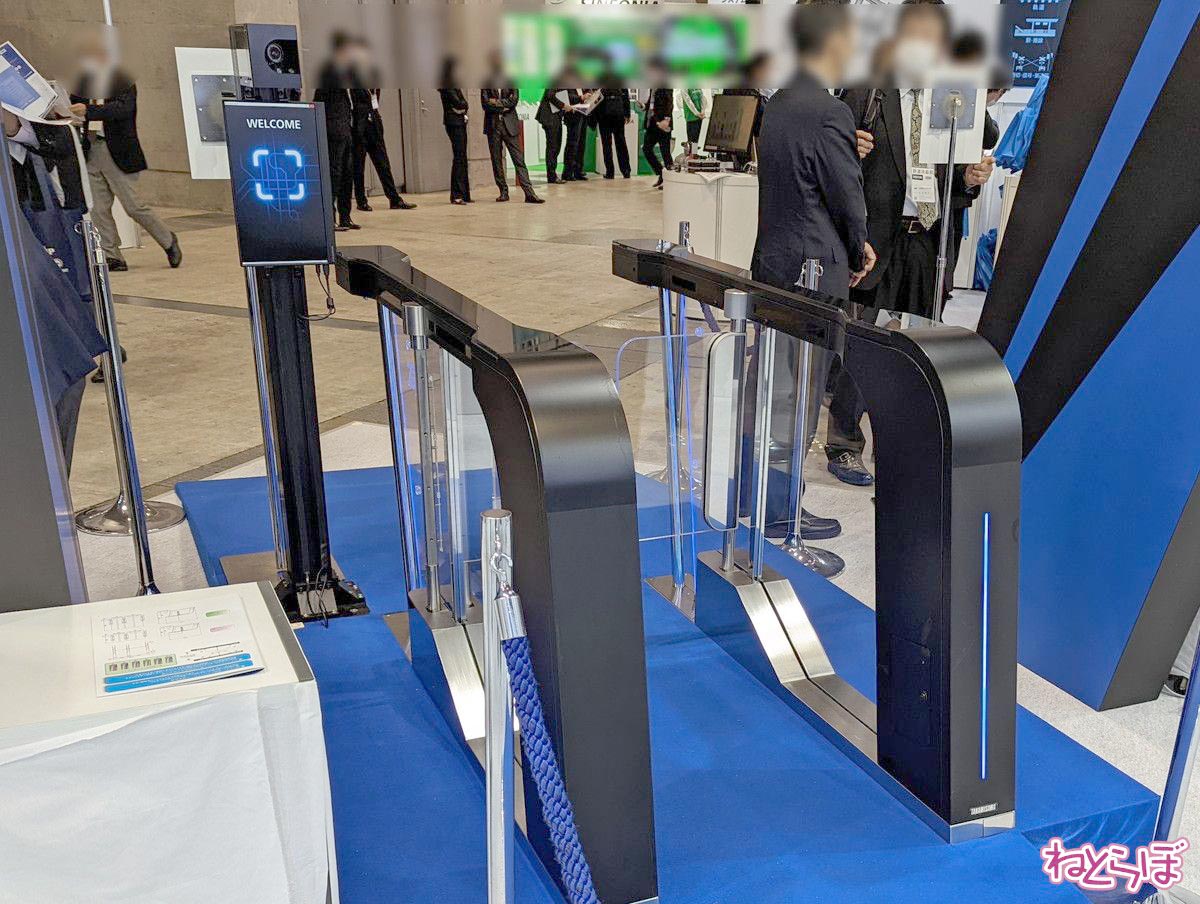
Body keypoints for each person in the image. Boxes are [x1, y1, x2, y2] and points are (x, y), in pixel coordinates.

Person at [824, 0, 995, 486]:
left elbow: (966, 163)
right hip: (876, 239)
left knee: (920, 342)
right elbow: (836, 163)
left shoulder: (952, 96)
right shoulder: (868, 90)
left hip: (928, 239)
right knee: (861, 340)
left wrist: (970, 179)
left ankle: (903, 441)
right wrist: (848, 150)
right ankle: (844, 443)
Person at [750, 0, 872, 541]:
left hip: (774, 264)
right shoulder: (829, 112)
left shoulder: (778, 102)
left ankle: (763, 498)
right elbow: (846, 198)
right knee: (800, 396)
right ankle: (782, 512)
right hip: (814, 271)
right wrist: (858, 249)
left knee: (774, 389)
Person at [69, 32, 181, 271]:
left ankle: (168, 240)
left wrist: (88, 111)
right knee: (99, 208)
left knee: (133, 206)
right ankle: (112, 255)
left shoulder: (123, 80)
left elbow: (122, 109)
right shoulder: (84, 81)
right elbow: (74, 106)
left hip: (117, 150)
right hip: (90, 148)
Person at [350, 42, 416, 213]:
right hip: (359, 125)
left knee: (383, 163)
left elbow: (375, 98)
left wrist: (375, 114)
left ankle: (394, 198)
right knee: (359, 165)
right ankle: (361, 200)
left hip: (374, 123)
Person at [313, 32, 361, 230]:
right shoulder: (329, 71)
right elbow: (319, 101)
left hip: (347, 129)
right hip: (333, 130)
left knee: (348, 174)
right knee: (334, 174)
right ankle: (329, 218)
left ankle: (345, 216)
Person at [481, 55, 543, 204]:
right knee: (496, 161)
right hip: (493, 125)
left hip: (510, 125)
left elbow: (514, 100)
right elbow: (485, 103)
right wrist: (503, 104)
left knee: (519, 160)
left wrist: (496, 102)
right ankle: (503, 192)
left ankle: (529, 193)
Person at [438, 59, 472, 205]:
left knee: (462, 157)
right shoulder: (447, 84)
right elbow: (459, 102)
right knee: (458, 157)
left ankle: (464, 194)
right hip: (453, 122)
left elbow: (464, 103)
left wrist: (463, 105)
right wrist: (463, 105)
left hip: (459, 121)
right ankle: (456, 195)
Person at [641, 80, 674, 189]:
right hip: (653, 124)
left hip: (663, 124)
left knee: (665, 152)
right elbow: (652, 104)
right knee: (646, 149)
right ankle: (661, 173)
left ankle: (670, 180)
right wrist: (643, 106)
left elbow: (670, 102)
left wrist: (666, 119)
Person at [595, 86, 632, 179]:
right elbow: (625, 96)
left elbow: (595, 96)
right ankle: (626, 171)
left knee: (606, 144)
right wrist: (627, 114)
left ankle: (610, 172)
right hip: (618, 113)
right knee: (621, 143)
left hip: (604, 114)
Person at [561, 88, 594, 182]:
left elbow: (589, 90)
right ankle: (568, 172)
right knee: (572, 144)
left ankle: (578, 171)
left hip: (583, 114)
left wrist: (590, 95)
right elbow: (565, 96)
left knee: (581, 144)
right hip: (572, 115)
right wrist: (581, 97)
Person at [535, 88, 567, 183]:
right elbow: (550, 95)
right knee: (553, 147)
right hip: (550, 118)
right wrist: (563, 105)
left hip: (555, 117)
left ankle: (552, 174)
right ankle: (552, 176)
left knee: (556, 146)